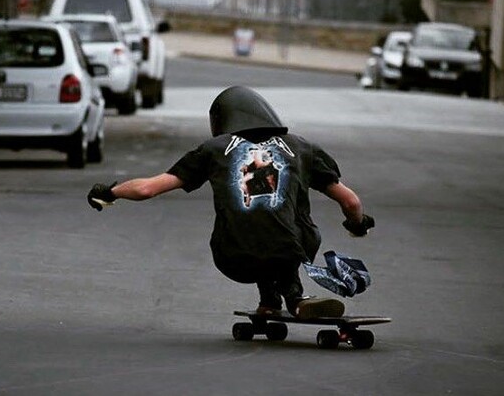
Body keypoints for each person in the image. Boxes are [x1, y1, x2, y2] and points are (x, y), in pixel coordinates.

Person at [87, 86, 375, 319]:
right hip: (290, 250)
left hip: (233, 255)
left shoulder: (212, 151)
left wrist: (111, 192)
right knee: (289, 225)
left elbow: (148, 189)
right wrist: (357, 224)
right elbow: (350, 201)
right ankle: (295, 297)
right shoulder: (300, 148)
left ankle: (269, 301)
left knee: (254, 220)